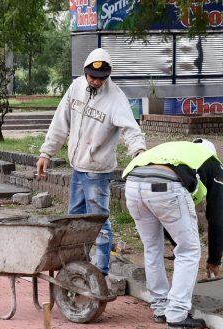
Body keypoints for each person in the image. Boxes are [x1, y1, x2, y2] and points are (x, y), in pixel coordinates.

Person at [36, 48, 146, 275]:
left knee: (98, 221)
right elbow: (60, 122)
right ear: (85, 72)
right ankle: (75, 267)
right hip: (77, 167)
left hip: (97, 171)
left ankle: (100, 272)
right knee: (74, 220)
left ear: (108, 76)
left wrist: (139, 152)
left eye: (101, 78)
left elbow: (130, 129)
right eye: (92, 76)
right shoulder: (75, 87)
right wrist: (46, 153)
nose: (96, 81)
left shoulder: (115, 98)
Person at [122, 138, 223, 329]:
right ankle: (177, 314)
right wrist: (215, 259)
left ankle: (161, 307)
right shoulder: (212, 161)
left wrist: (175, 240)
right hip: (166, 184)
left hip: (132, 184)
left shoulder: (176, 151)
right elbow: (218, 216)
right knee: (188, 250)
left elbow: (166, 217)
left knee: (152, 247)